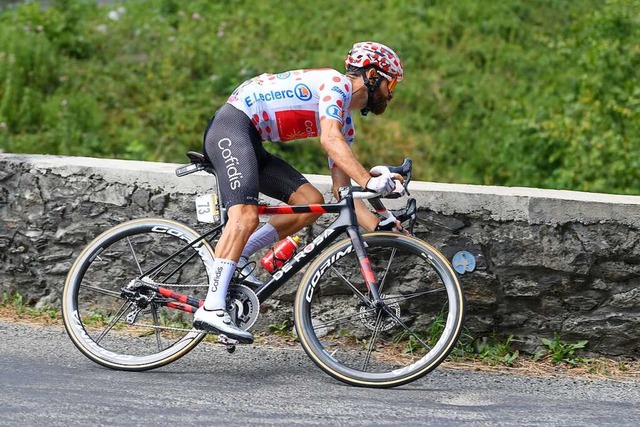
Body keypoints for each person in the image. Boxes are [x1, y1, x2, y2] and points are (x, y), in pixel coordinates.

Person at [193, 41, 405, 343]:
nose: (392, 92)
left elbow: (341, 192)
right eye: (391, 82)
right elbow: (329, 140)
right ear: (372, 75)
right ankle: (212, 308)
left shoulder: (345, 120)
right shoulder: (336, 84)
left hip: (250, 140)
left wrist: (383, 228)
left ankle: (237, 256)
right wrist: (369, 181)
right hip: (232, 126)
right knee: (245, 216)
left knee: (310, 203)